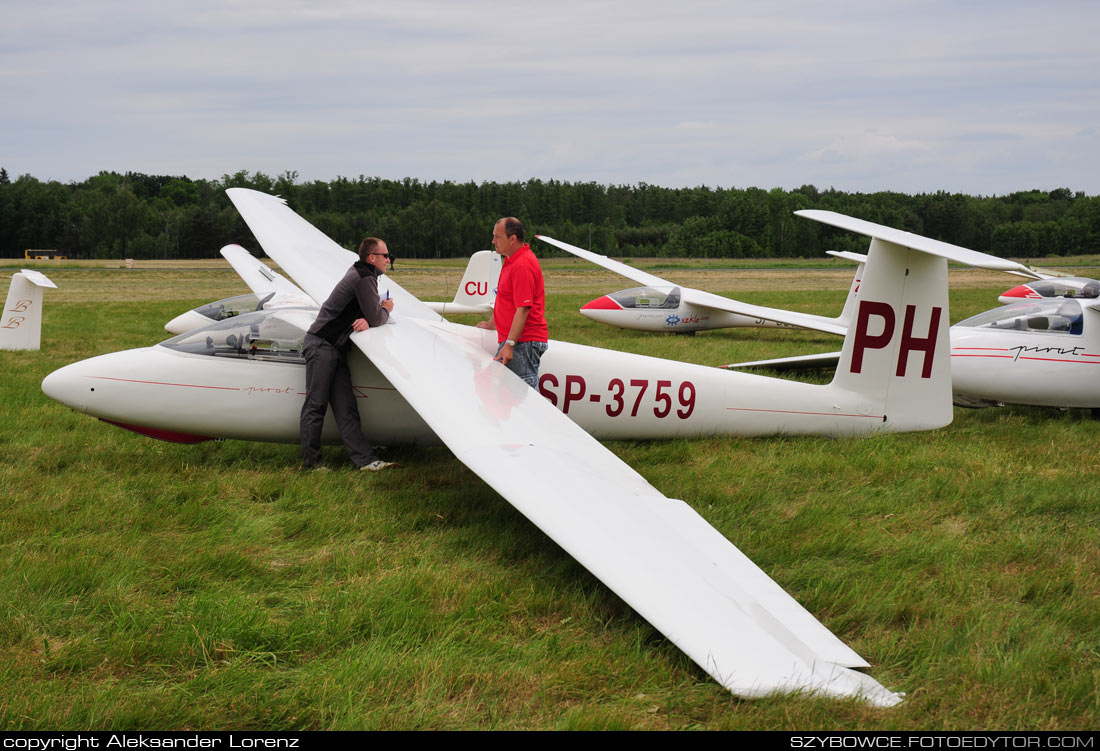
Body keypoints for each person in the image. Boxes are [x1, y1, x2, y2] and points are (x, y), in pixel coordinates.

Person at [300, 237, 397, 471]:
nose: (389, 259)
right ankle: (311, 465)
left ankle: (364, 461)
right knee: (315, 406)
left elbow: (367, 315)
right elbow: (376, 317)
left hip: (335, 349)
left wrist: (368, 316)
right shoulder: (364, 278)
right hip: (322, 346)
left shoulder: (362, 273)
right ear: (372, 258)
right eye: (386, 255)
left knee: (346, 408)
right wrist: (384, 309)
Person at [476, 217, 548, 387]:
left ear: (513, 238)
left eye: (498, 237)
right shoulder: (511, 260)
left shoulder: (522, 265)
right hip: (518, 341)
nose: (493, 241)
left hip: (523, 342)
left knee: (521, 394)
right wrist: (491, 324)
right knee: (507, 396)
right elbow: (505, 300)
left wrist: (510, 344)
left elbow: (523, 309)